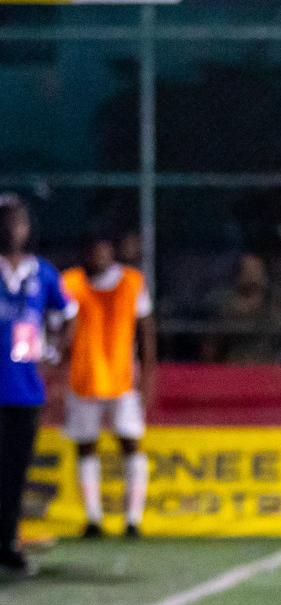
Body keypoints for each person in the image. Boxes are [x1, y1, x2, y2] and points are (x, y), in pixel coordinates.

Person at [61, 230, 156, 539]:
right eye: (92, 251)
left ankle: (133, 519)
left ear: (111, 253)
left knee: (130, 441)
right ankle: (93, 518)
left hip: (122, 377)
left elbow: (146, 331)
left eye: (103, 250)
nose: (98, 257)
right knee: (86, 444)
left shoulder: (131, 282)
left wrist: (149, 375)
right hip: (85, 377)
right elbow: (61, 329)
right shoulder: (71, 283)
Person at [0, 194, 75, 575]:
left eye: (20, 222)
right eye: (7, 221)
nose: (14, 229)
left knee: (14, 473)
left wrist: (56, 353)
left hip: (25, 391)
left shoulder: (41, 272)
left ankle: (7, 544)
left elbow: (68, 314)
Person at [205, 253, 281, 365]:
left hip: (268, 371)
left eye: (256, 269)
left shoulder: (273, 306)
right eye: (248, 269)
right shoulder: (226, 307)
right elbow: (211, 347)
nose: (252, 274)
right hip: (234, 371)